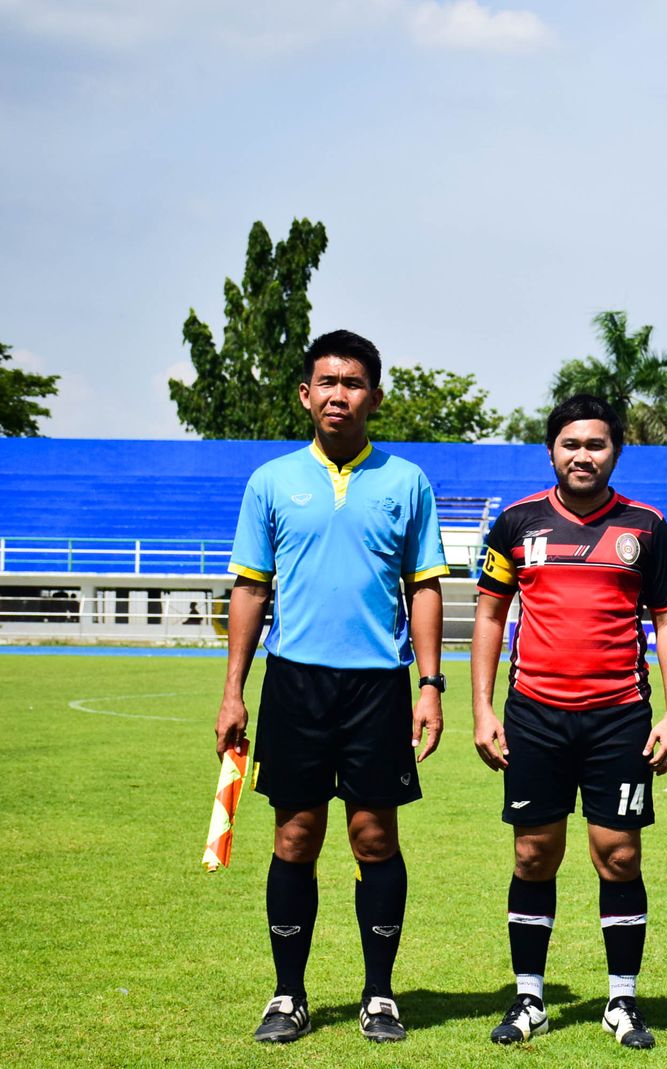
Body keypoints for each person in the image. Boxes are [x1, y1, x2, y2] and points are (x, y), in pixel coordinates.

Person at [215, 329, 449, 1044]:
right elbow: (250, 588)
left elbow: (424, 587)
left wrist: (431, 684)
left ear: (374, 396)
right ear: (305, 394)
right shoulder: (271, 481)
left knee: (374, 836)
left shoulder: (406, 481)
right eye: (326, 382)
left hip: (379, 686)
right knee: (295, 836)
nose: (338, 394)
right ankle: (288, 994)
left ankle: (380, 996)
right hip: (296, 684)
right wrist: (233, 691)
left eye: (352, 383)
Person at [470, 394, 667, 1051]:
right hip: (534, 715)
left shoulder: (645, 526)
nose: (583, 455)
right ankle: (530, 998)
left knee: (618, 854)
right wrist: (482, 707)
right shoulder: (517, 522)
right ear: (551, 451)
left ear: (615, 451)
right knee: (533, 853)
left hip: (618, 717)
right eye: (571, 444)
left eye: (596, 444)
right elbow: (490, 614)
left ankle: (622, 1000)